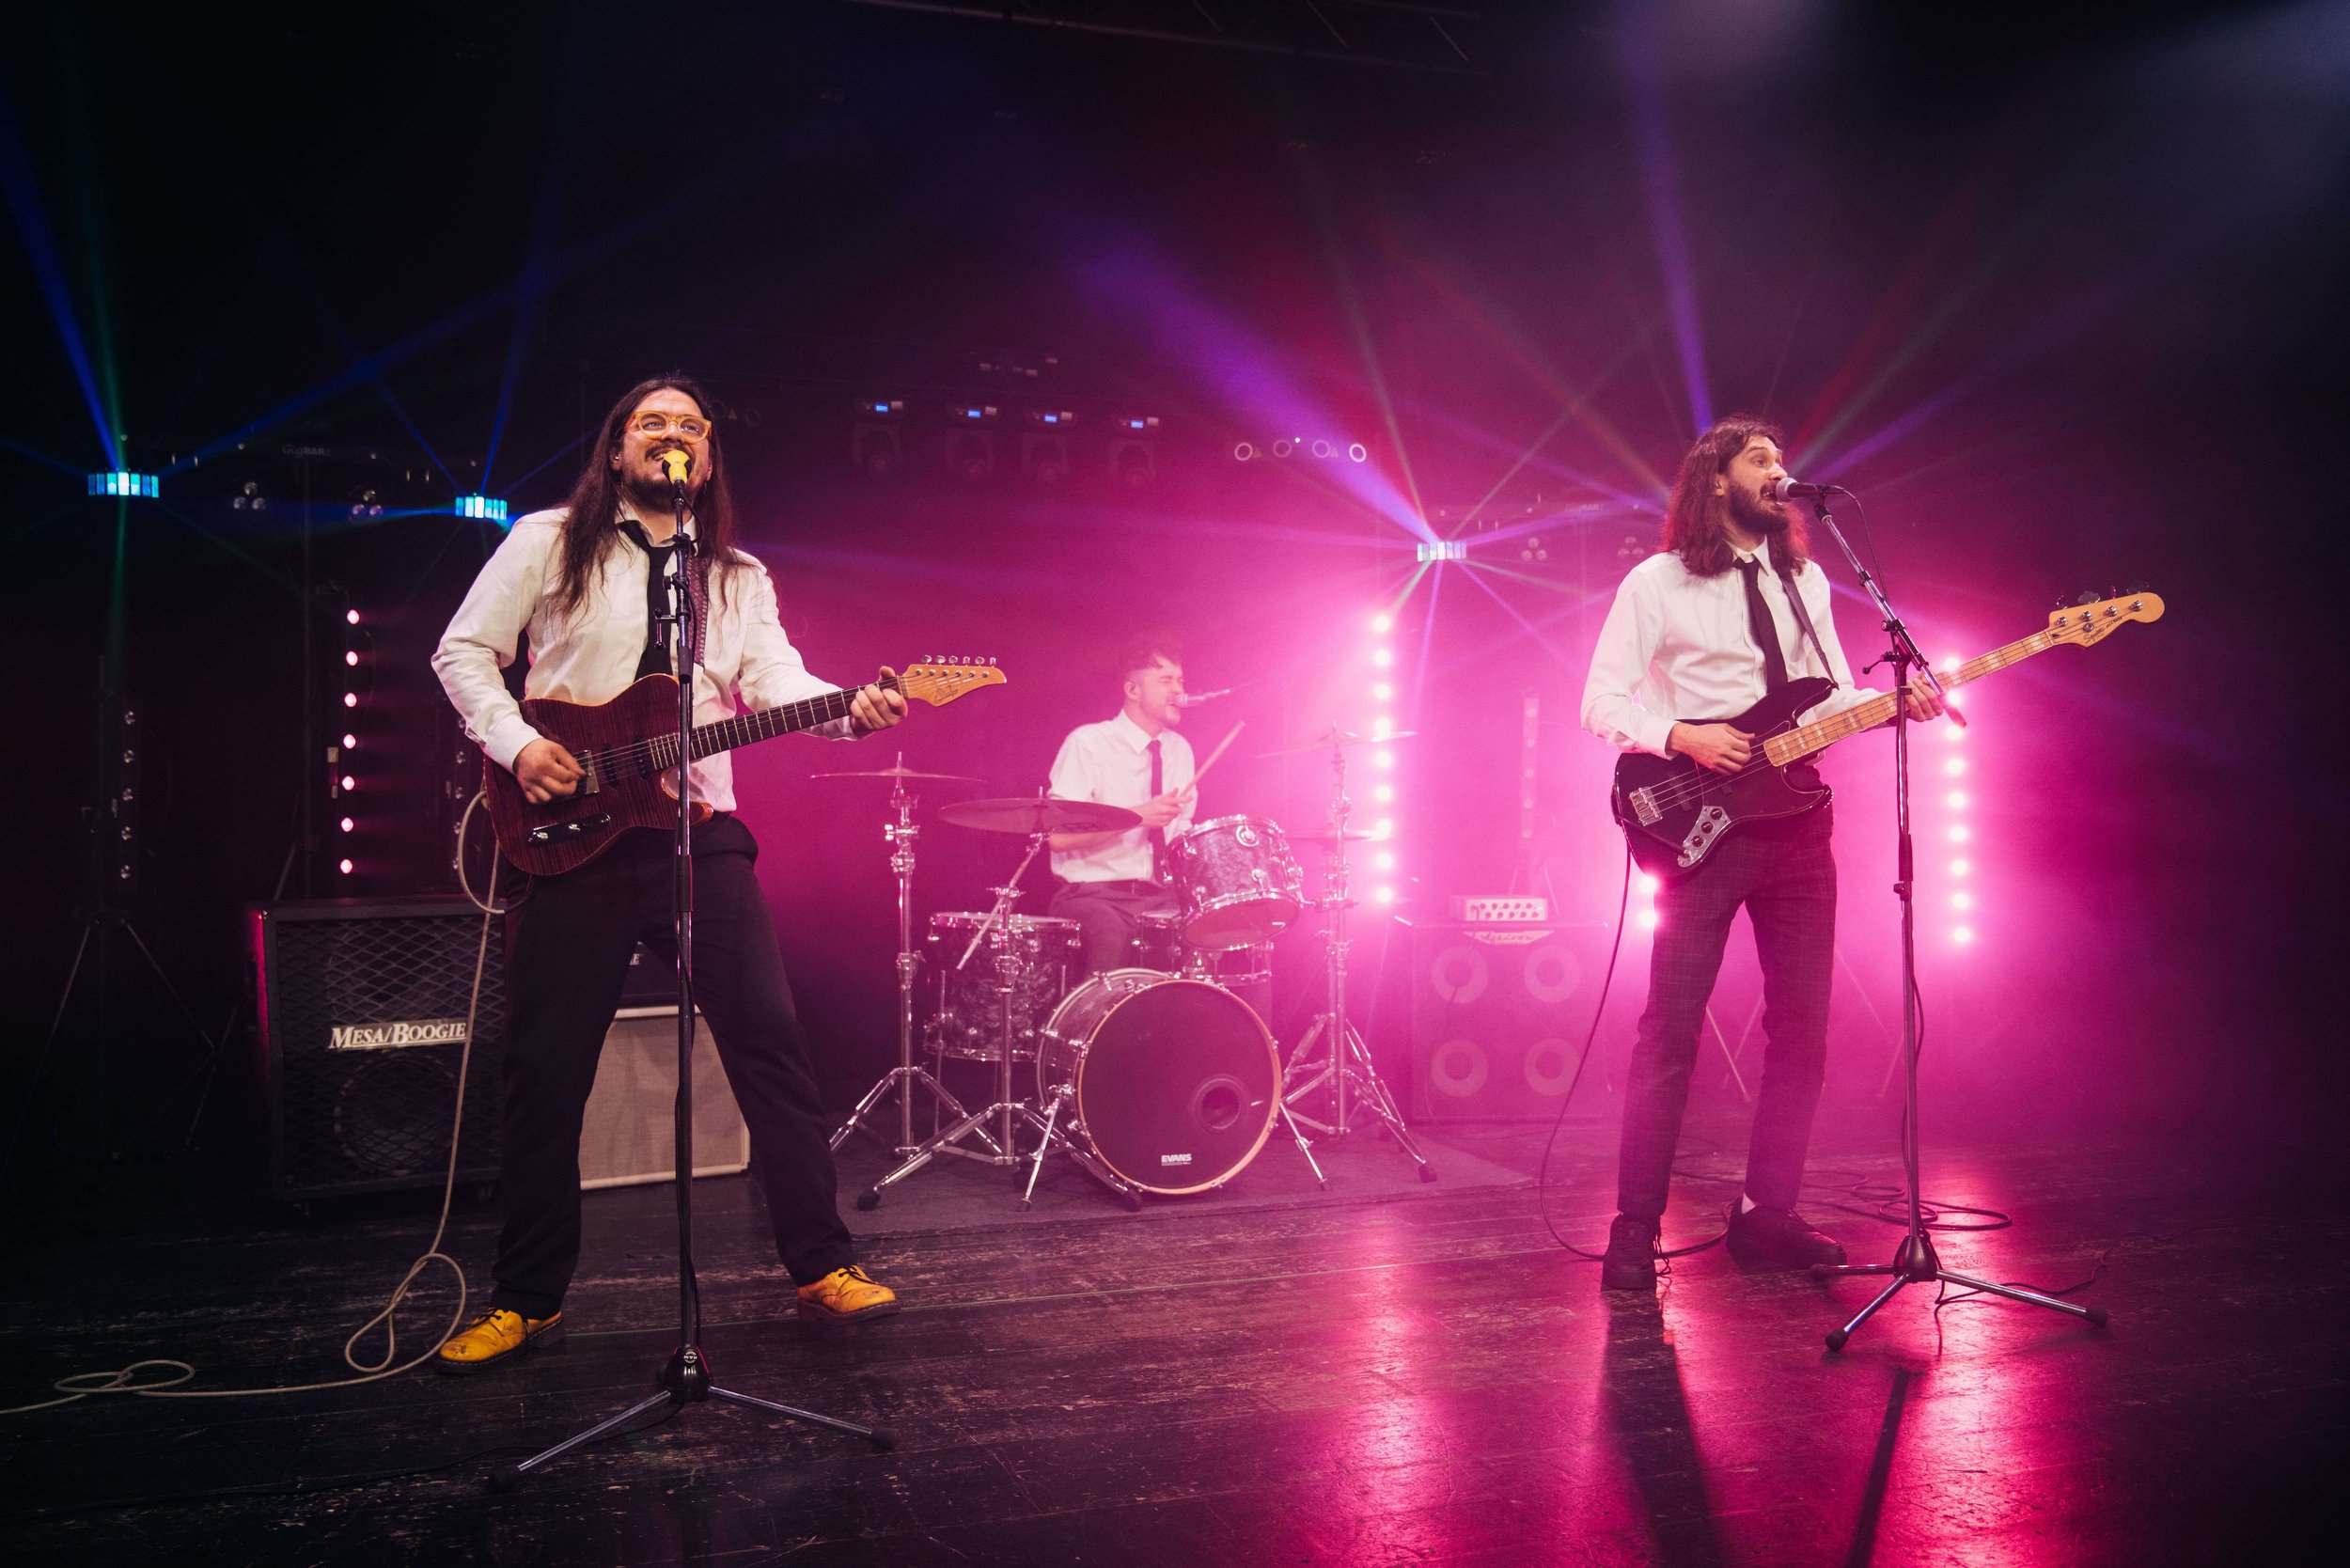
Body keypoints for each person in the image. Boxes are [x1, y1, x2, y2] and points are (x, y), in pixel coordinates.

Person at [430, 375, 910, 1372]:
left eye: (689, 426)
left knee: (770, 1043)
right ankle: (526, 1298)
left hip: (695, 827)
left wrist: (848, 705)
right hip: (569, 831)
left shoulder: (733, 577)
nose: (671, 436)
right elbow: (465, 653)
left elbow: (772, 683)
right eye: (652, 423)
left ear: (706, 458)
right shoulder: (545, 540)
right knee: (544, 1072)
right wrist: (520, 746)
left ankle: (819, 1263)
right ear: (617, 451)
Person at [1580, 415, 1943, 1294]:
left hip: (1794, 827)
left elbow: (1818, 702)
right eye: (1759, 459)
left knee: (1803, 1033)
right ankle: (1635, 1226)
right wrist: (1684, 735)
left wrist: (1894, 701)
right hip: (1695, 824)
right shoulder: (1658, 581)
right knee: (1671, 1031)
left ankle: (1765, 1215)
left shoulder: (1805, 581)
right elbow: (1601, 700)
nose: (1780, 471)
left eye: (1782, 459)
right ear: (1715, 482)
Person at [1045, 636, 1197, 975]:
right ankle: (1093, 1027)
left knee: (1205, 935)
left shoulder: (1180, 749)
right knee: (1111, 937)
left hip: (1160, 896)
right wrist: (1137, 817)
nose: (1178, 690)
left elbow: (1179, 832)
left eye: (1180, 680)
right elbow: (1058, 837)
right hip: (1093, 896)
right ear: (1132, 690)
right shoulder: (1089, 743)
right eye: (1165, 680)